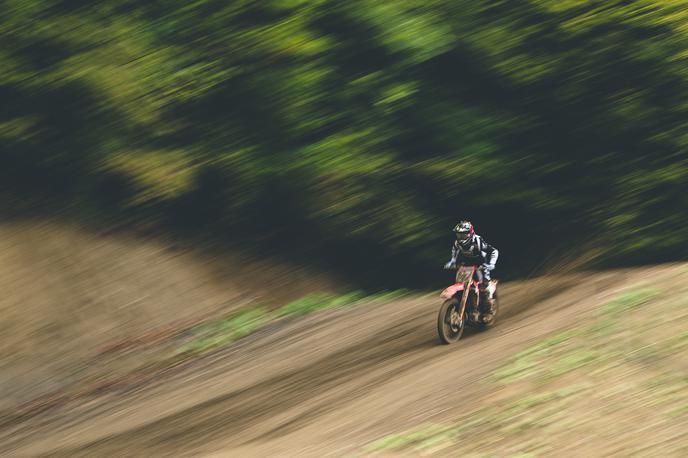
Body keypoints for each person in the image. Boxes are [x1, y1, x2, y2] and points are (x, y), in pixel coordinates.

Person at [444, 220, 499, 317]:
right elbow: (454, 253)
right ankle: (469, 309)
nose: (460, 238)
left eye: (463, 235)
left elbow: (494, 251)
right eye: (458, 235)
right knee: (463, 284)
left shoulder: (477, 241)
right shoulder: (457, 243)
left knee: (483, 288)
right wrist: (452, 262)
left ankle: (487, 311)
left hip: (481, 264)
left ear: (470, 233)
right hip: (467, 265)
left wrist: (491, 264)